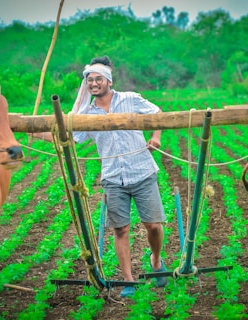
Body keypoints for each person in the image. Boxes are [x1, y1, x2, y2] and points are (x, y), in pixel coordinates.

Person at [72, 56, 167, 297]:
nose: (93, 83)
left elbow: (158, 113)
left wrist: (156, 137)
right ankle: (129, 280)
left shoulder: (130, 99)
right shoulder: (86, 113)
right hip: (113, 178)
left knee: (153, 226)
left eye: (98, 79)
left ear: (108, 81)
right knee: (121, 230)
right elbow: (73, 138)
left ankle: (155, 260)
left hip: (142, 171)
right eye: (89, 80)